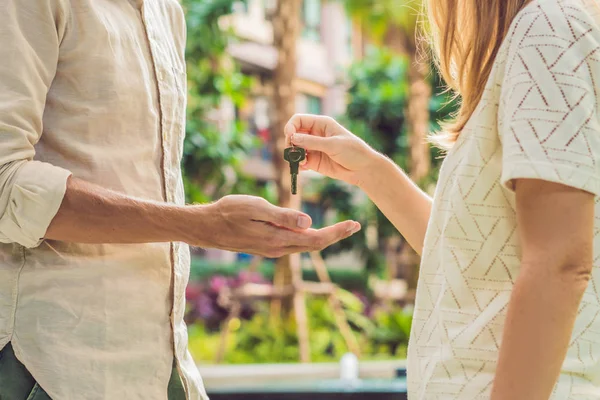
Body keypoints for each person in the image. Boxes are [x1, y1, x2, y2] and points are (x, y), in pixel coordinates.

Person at [0, 1, 361, 400]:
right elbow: (4, 180)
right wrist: (204, 225)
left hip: (163, 367)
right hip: (49, 367)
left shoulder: (165, 11)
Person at [285, 0, 600, 398]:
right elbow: (464, 257)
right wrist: (369, 171)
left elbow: (560, 264)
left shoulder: (548, 29)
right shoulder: (535, 38)